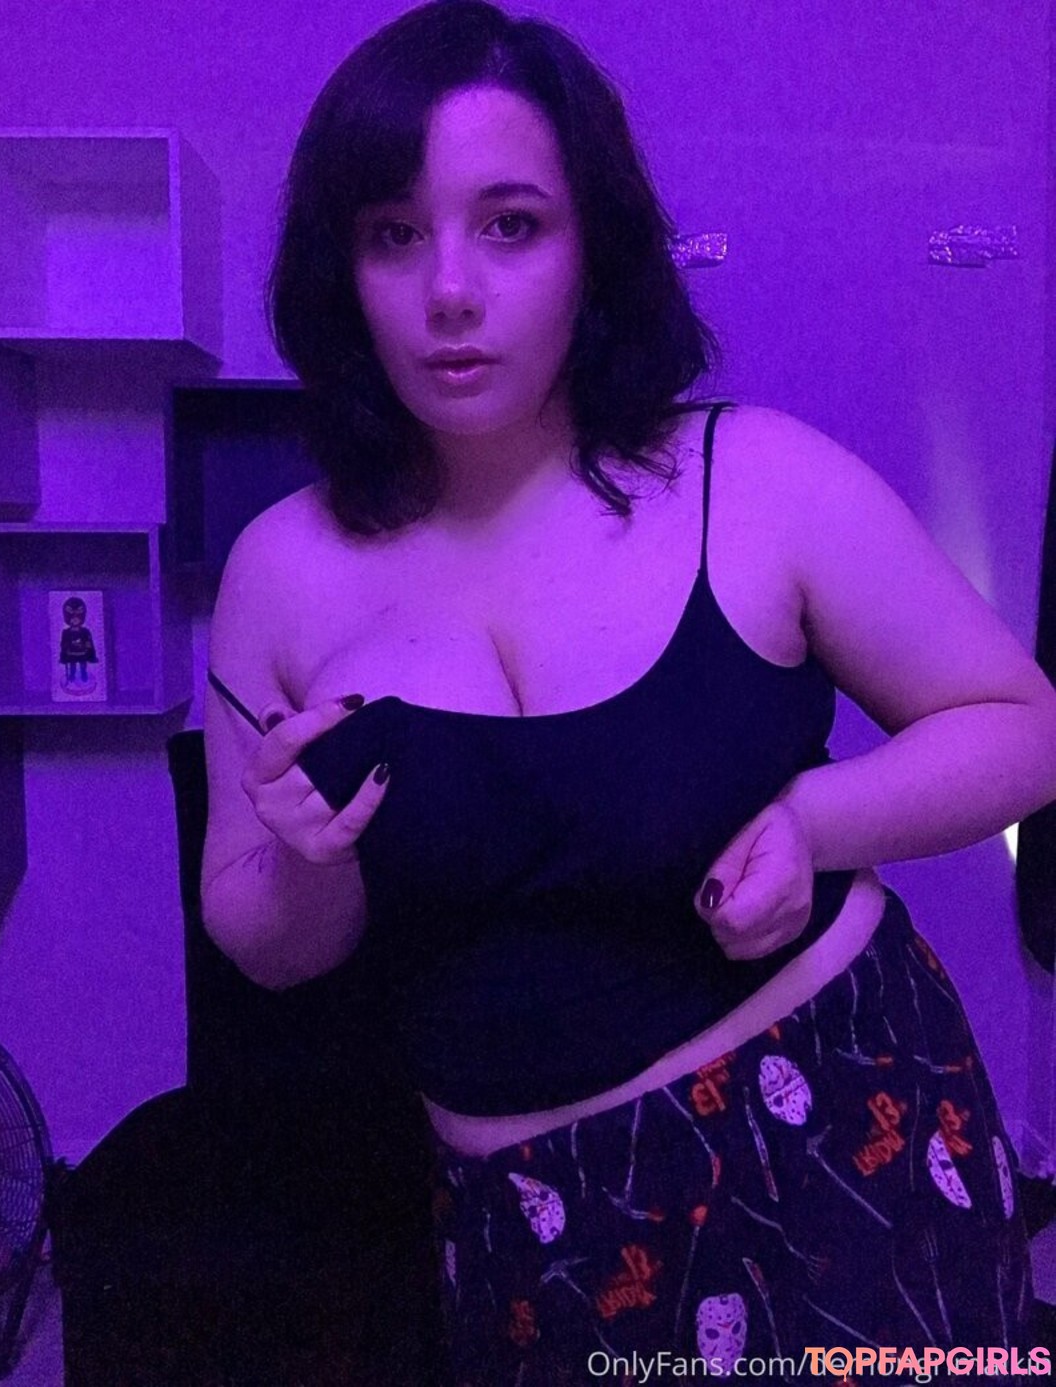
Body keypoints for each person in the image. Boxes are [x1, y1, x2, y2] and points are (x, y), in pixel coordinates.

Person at [201, 1, 1056, 1381]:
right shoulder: (279, 571)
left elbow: (1025, 729)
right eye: (395, 235)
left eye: (511, 226)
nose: (452, 291)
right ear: (340, 269)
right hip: (535, 1231)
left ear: (592, 246)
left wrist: (816, 822)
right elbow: (261, 936)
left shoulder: (754, 477)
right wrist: (308, 856)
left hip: (850, 1143)